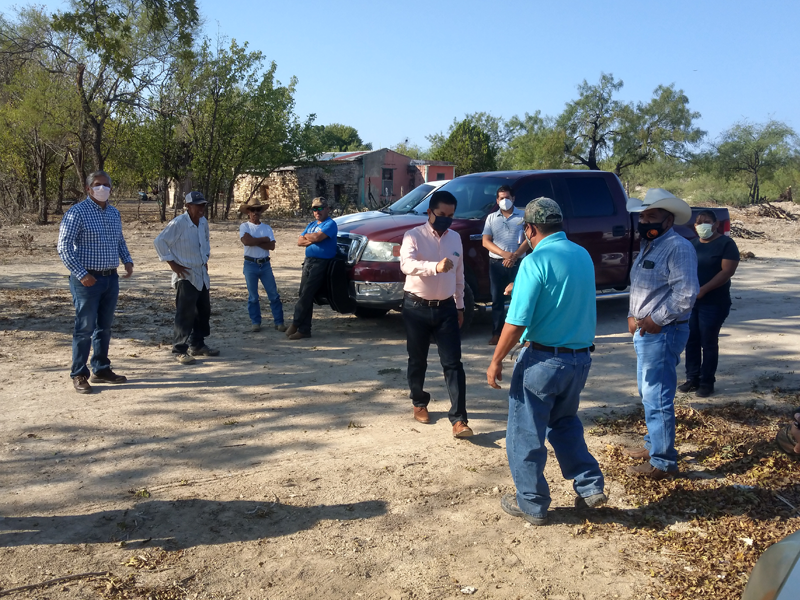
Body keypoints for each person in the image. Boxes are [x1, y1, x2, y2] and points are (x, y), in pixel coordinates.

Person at [486, 197, 606, 525]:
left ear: (530, 229)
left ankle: (532, 503)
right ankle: (590, 486)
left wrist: (497, 359)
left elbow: (517, 322)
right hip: (579, 360)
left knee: (525, 432)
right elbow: (563, 296)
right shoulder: (581, 254)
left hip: (542, 360)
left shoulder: (535, 261)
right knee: (565, 423)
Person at [625, 188, 699, 479]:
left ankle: (663, 461)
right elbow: (643, 286)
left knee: (657, 396)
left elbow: (686, 293)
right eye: (643, 216)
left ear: (668, 220)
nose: (645, 221)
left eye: (652, 216)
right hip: (647, 332)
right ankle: (652, 445)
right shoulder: (650, 245)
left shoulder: (678, 247)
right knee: (648, 392)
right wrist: (633, 315)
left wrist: (655, 319)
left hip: (664, 332)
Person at [400, 190, 472, 438]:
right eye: (441, 214)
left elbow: (459, 275)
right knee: (417, 359)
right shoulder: (414, 236)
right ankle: (419, 402)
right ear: (429, 212)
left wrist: (460, 305)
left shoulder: (455, 239)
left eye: (450, 215)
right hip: (416, 307)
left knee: (453, 363)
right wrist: (434, 267)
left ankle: (459, 419)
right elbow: (406, 265)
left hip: (447, 309)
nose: (446, 220)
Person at [57, 170, 134, 394]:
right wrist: (81, 273)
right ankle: (79, 374)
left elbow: (119, 239)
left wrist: (127, 260)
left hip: (110, 278)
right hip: (87, 280)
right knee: (84, 328)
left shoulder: (113, 213)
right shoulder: (76, 213)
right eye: (98, 185)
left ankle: (101, 367)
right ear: (88, 189)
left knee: (105, 327)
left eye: (106, 185)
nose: (102, 189)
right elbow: (63, 246)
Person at [677, 210, 739, 398]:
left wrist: (704, 289)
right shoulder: (692, 245)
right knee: (691, 339)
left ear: (716, 224)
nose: (701, 225)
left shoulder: (726, 244)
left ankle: (707, 381)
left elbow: (726, 271)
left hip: (714, 303)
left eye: (706, 221)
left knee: (708, 341)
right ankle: (692, 378)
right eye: (698, 222)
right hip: (692, 302)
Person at [153, 191, 219, 365]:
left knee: (203, 310)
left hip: (201, 272)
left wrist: (205, 258)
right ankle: (180, 348)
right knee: (185, 312)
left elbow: (205, 241)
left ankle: (198, 344)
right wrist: (173, 264)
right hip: (185, 273)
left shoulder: (203, 222)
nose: (201, 208)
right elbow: (159, 242)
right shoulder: (179, 223)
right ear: (188, 206)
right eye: (197, 205)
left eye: (203, 205)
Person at [285, 197, 338, 340]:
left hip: (321, 263)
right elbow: (299, 241)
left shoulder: (330, 224)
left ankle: (296, 324)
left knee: (307, 294)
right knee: (303, 293)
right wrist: (311, 237)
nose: (317, 211)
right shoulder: (311, 224)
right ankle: (304, 329)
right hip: (308, 262)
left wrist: (309, 237)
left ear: (327, 208)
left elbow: (318, 238)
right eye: (315, 209)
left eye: (320, 208)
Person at [482, 185, 528, 345]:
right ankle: (497, 333)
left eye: (507, 197)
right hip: (496, 264)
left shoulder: (523, 216)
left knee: (520, 298)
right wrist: (505, 255)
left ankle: (523, 335)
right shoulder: (491, 218)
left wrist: (514, 256)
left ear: (513, 198)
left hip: (519, 263)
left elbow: (529, 240)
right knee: (497, 300)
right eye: (501, 198)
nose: (504, 201)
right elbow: (486, 241)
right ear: (497, 200)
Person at [238, 197, 286, 333]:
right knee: (253, 296)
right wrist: (263, 240)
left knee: (274, 295)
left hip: (265, 264)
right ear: (248, 211)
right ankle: (255, 322)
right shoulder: (244, 226)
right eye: (253, 210)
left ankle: (279, 322)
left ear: (261, 211)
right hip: (250, 263)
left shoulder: (267, 227)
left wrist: (255, 240)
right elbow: (246, 241)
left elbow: (271, 246)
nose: (255, 212)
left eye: (258, 209)